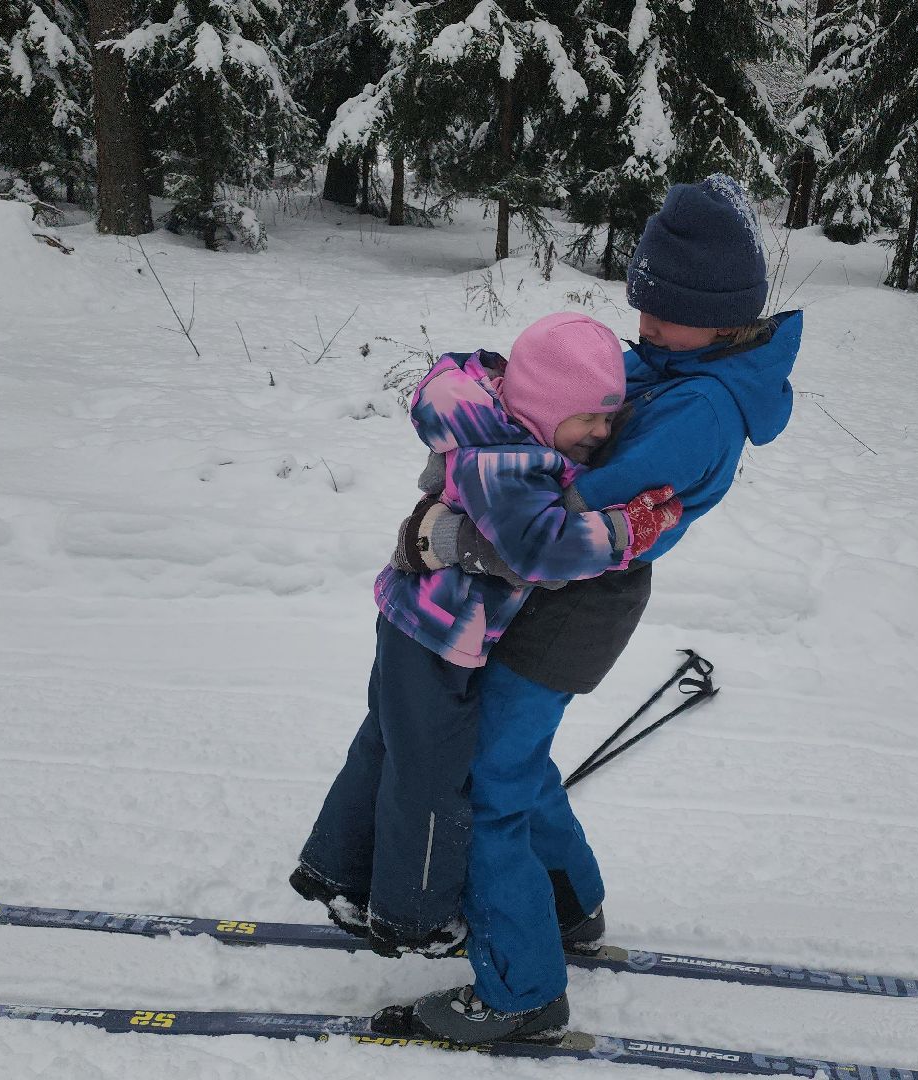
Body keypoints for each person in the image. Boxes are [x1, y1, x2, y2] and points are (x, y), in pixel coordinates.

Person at [384, 174, 803, 1045]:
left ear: (722, 317)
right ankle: (568, 907)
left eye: (660, 317)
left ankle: (522, 990)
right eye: (640, 312)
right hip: (562, 592)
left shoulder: (701, 408)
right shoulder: (680, 362)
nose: (641, 332)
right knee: (518, 760)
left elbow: (561, 517)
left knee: (489, 780)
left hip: (577, 597)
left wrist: (457, 512)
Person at [290, 312, 685, 961]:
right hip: (434, 640)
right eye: (588, 417)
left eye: (608, 418)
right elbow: (540, 549)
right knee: (432, 774)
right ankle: (414, 916)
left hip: (421, 627)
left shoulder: (502, 431)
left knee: (387, 747)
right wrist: (624, 532)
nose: (601, 433)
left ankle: (342, 874)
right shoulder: (504, 463)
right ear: (544, 404)